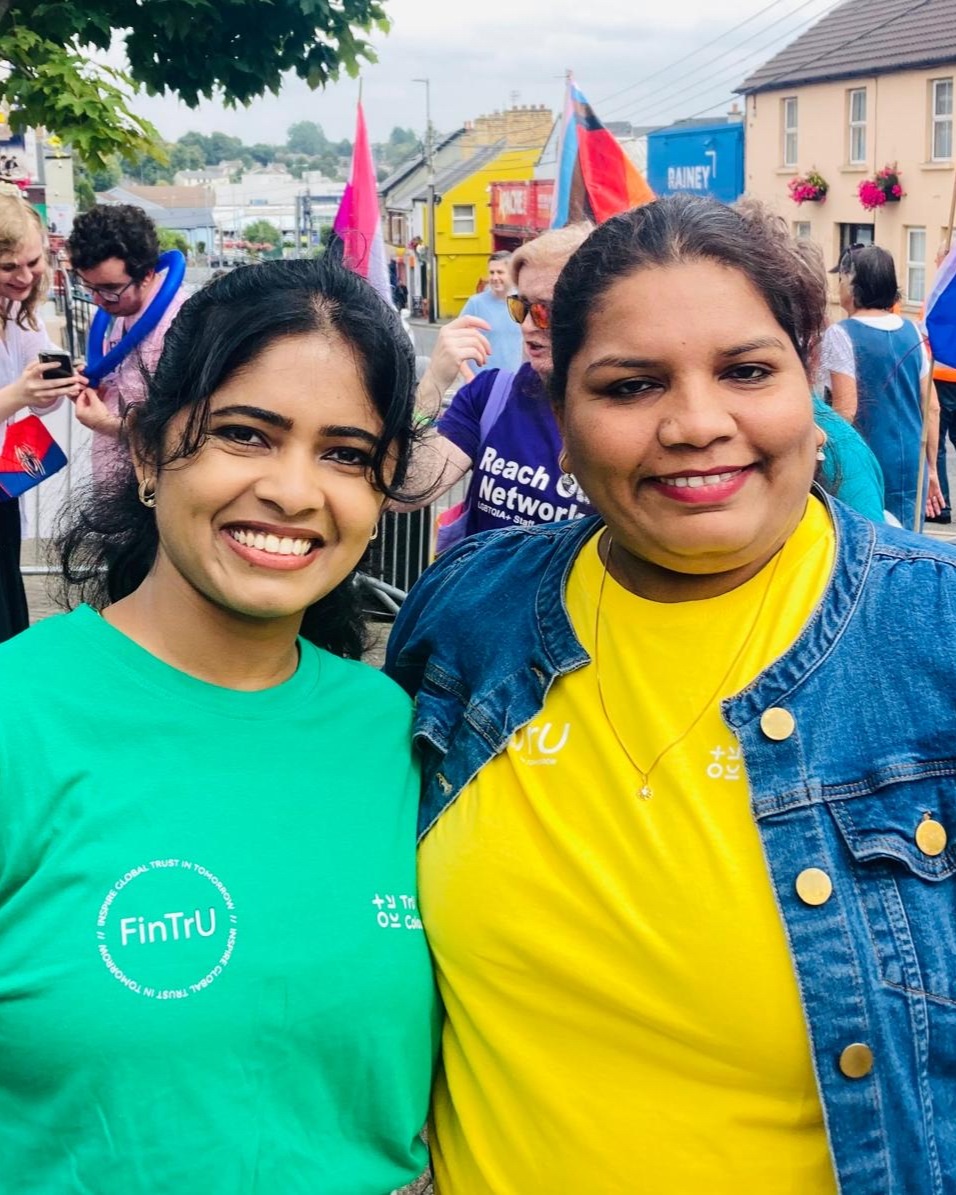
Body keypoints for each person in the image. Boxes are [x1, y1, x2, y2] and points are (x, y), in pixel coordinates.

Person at [386, 194, 956, 1193]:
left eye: (745, 371)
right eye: (630, 384)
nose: (696, 423)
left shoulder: (933, 643)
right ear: (558, 421)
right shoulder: (465, 617)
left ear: (808, 395)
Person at [0, 258, 438, 1192]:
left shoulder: (395, 729)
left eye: (345, 454)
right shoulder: (19, 715)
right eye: (246, 434)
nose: (293, 490)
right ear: (152, 453)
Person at [405, 225, 596, 540]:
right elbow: (410, 489)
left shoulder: (629, 415)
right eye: (521, 308)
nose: (528, 326)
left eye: (546, 311)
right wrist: (434, 382)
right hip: (480, 588)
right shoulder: (489, 395)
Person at [0, 190, 84, 640]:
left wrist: (54, 388)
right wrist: (19, 393)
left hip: (4, 483)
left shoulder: (16, 311)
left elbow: (36, 398)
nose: (25, 277)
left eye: (32, 262)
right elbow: (17, 394)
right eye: (8, 267)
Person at [820, 243, 942, 528]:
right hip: (913, 461)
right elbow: (932, 407)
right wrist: (932, 469)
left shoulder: (841, 334)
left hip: (867, 462)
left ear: (852, 282)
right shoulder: (913, 330)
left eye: (841, 278)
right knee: (910, 546)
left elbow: (845, 412)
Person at [66, 203, 188, 477]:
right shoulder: (124, 308)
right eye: (90, 287)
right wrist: (94, 388)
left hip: (150, 493)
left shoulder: (181, 324)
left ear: (146, 274)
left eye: (109, 289)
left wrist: (107, 424)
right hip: (113, 485)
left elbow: (180, 426)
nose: (97, 300)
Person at [457, 250, 524, 375]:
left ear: (512, 274)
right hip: (482, 383)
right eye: (491, 272)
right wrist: (469, 377)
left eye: (500, 272)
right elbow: (457, 344)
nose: (494, 278)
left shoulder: (522, 302)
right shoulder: (476, 304)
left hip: (515, 381)